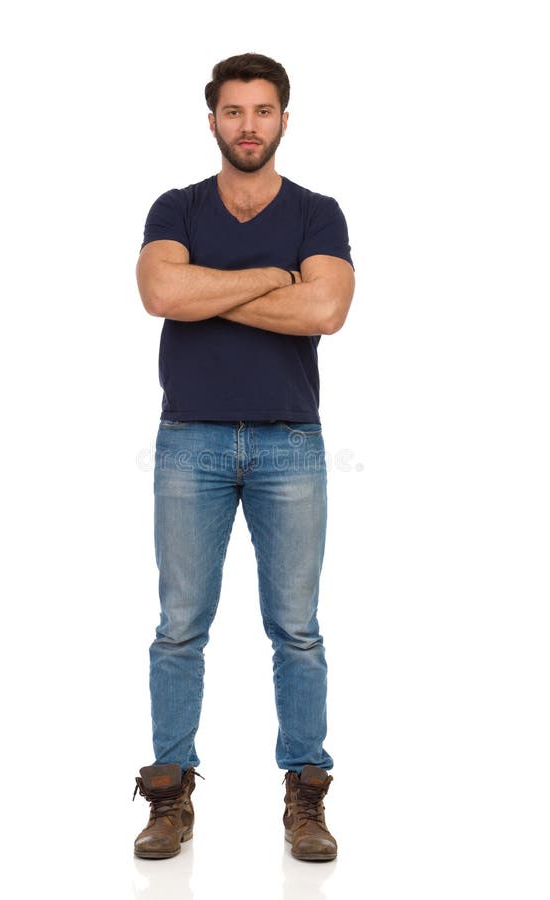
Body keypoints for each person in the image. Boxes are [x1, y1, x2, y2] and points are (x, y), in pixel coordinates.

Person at [132, 52, 355, 862]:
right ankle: (168, 797)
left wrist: (211, 290)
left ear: (284, 120)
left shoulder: (318, 213)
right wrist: (268, 279)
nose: (249, 126)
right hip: (187, 437)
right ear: (214, 120)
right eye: (234, 111)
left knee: (296, 630)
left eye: (263, 111)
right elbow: (162, 294)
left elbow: (326, 308)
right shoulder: (177, 207)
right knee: (179, 629)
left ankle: (306, 794)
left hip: (288, 443)